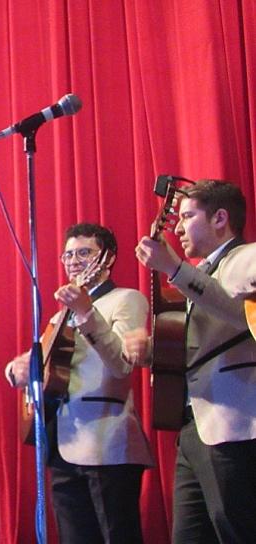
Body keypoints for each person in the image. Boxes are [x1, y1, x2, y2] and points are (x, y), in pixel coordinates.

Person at [5, 222, 154, 543]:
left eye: (84, 253)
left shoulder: (126, 299)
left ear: (107, 258)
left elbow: (121, 364)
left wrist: (87, 313)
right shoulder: (60, 316)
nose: (73, 261)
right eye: (68, 255)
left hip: (107, 443)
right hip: (62, 442)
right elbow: (39, 362)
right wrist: (16, 370)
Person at [133, 179, 256, 542]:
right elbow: (202, 341)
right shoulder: (196, 275)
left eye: (187, 216)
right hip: (192, 426)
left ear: (220, 218)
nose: (179, 228)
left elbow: (242, 315)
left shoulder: (247, 258)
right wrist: (149, 349)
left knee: (237, 529)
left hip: (235, 422)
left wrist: (174, 268)